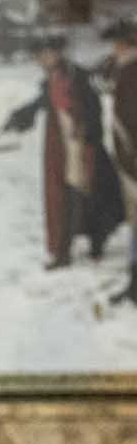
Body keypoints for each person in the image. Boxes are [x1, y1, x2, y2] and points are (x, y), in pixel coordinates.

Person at [5, 34, 124, 269]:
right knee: (63, 197)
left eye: (46, 54)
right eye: (39, 56)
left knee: (93, 193)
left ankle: (96, 244)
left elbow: (93, 107)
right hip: (61, 147)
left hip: (84, 145)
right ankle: (63, 252)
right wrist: (22, 115)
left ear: (57, 54)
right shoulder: (52, 79)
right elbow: (43, 101)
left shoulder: (78, 76)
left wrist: (88, 136)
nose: (42, 60)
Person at [101, 18, 137, 305]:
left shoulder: (133, 71)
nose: (113, 49)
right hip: (129, 160)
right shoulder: (125, 69)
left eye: (117, 44)